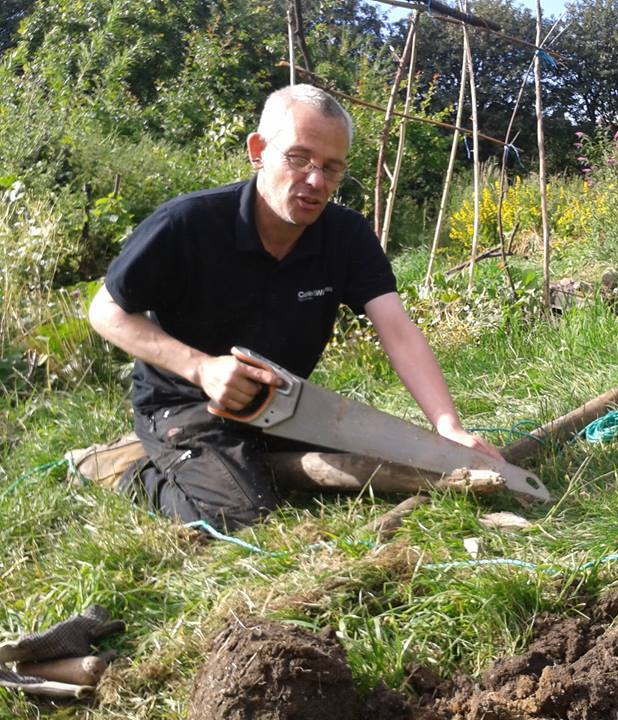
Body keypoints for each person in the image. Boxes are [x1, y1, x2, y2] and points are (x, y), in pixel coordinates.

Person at [88, 83, 500, 531]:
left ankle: (240, 460)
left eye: (331, 168)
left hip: (282, 405)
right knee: (243, 519)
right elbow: (105, 312)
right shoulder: (186, 223)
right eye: (299, 158)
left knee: (383, 458)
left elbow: (397, 330)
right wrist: (202, 369)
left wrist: (448, 428)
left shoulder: (346, 237)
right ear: (258, 150)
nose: (316, 181)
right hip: (185, 404)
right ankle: (133, 473)